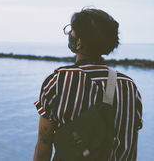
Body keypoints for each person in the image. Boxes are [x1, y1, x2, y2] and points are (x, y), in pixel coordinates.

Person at [33, 8, 143, 161]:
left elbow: (44, 142)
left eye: (72, 30)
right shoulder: (129, 86)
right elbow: (131, 142)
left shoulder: (58, 82)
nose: (69, 34)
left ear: (79, 42)